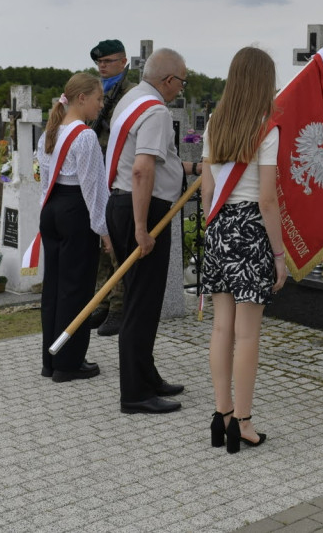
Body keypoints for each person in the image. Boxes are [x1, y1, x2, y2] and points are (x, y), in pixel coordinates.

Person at [200, 47, 287, 453]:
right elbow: (268, 200)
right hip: (252, 230)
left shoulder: (215, 123)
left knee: (221, 328)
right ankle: (244, 423)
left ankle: (222, 415)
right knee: (247, 334)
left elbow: (207, 190)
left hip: (218, 228)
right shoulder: (266, 129)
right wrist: (279, 255)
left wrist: (214, 230)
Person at [105, 47, 192, 414]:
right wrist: (142, 228)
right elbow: (142, 169)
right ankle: (136, 394)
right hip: (143, 209)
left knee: (145, 298)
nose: (181, 90)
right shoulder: (156, 111)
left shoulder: (131, 99)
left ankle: (146, 373)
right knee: (142, 301)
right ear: (168, 80)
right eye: (182, 83)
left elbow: (155, 162)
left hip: (124, 203)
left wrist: (193, 167)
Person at [37, 73, 113, 383]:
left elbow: (44, 182)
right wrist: (105, 232)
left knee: (54, 286)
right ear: (81, 98)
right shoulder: (85, 137)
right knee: (77, 288)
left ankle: (50, 359)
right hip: (75, 211)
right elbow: (94, 190)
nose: (101, 105)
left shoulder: (49, 133)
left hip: (52, 209)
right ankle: (69, 363)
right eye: (98, 99)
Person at [88, 39, 133, 336]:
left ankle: (118, 308)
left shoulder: (128, 94)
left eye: (108, 62)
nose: (102, 67)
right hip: (99, 170)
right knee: (100, 245)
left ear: (123, 61)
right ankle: (102, 303)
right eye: (99, 63)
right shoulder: (97, 90)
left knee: (115, 244)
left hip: (117, 172)